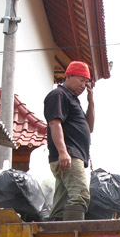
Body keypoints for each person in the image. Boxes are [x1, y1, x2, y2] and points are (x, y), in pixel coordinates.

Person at [44, 60, 95, 221]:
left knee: (61, 205)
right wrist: (63, 152)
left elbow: (89, 127)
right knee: (80, 195)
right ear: (69, 76)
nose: (83, 85)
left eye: (86, 82)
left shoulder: (73, 100)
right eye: (81, 80)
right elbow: (55, 123)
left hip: (72, 156)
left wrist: (91, 101)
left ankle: (55, 233)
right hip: (69, 155)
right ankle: (73, 235)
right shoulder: (59, 95)